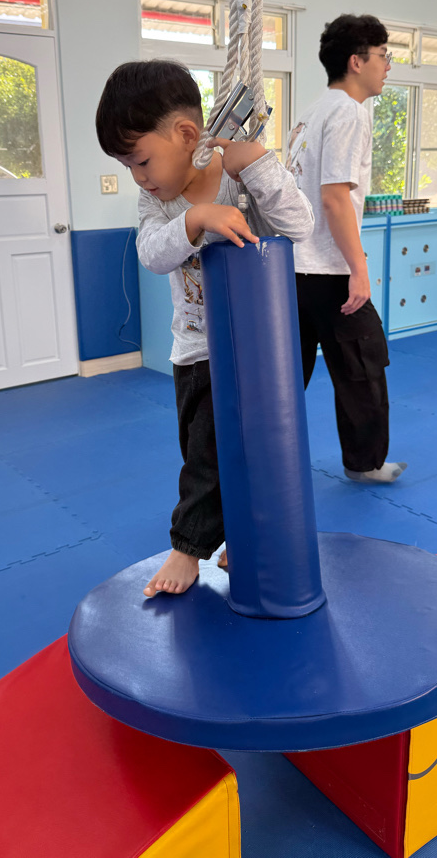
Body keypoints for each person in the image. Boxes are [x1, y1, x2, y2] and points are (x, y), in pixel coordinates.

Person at [96, 60, 314, 597]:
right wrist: (195, 219)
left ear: (186, 135)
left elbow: (300, 225)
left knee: (245, 455)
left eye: (141, 160)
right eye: (127, 166)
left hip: (261, 350)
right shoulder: (158, 200)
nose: (139, 177)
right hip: (198, 353)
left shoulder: (241, 177)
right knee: (205, 453)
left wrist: (258, 165)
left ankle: (200, 546)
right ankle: (225, 536)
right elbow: (152, 253)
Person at [285, 14, 406, 484]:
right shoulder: (350, 112)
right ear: (357, 61)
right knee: (363, 368)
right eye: (383, 56)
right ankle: (365, 464)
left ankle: (261, 466)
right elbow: (335, 198)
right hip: (327, 270)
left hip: (292, 269)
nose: (387, 66)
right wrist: (358, 268)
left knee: (285, 379)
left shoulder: (313, 112)